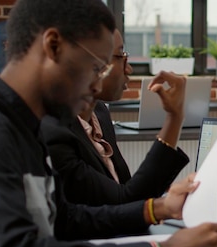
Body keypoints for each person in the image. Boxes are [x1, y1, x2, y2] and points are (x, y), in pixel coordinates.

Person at [0, 0, 217, 247]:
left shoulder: (26, 124)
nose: (98, 86)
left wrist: (156, 208)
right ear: (53, 46)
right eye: (96, 67)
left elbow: (65, 219)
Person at [42, 29, 190, 206]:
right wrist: (174, 117)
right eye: (121, 56)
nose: (129, 69)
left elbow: (127, 192)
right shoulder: (52, 131)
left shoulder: (100, 113)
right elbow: (126, 201)